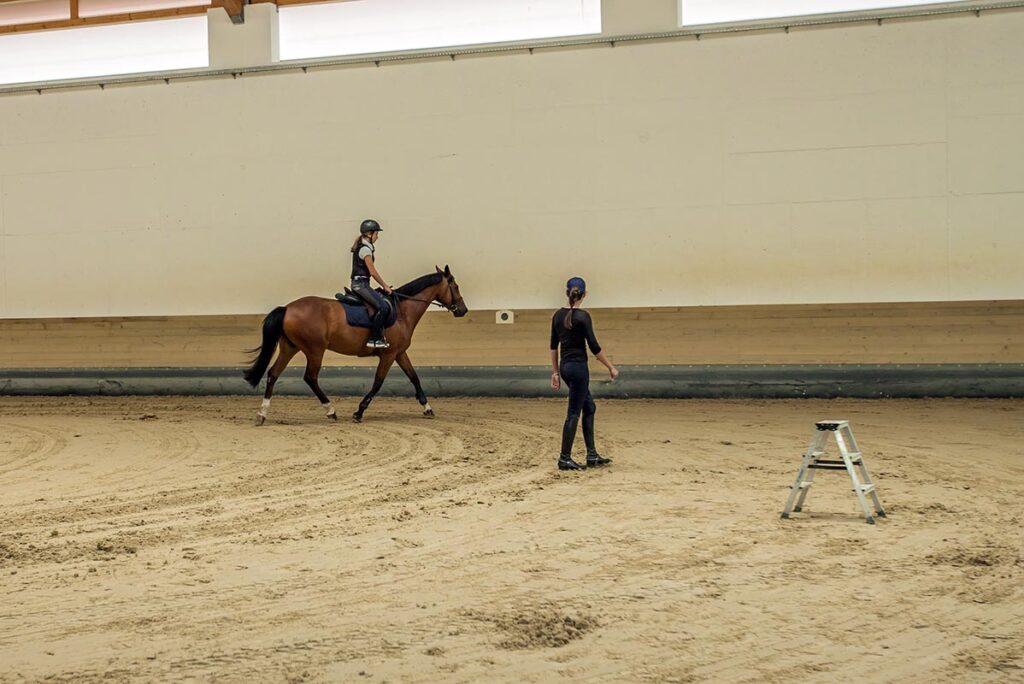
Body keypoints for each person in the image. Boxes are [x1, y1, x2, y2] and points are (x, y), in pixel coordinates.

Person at [550, 277, 619, 471]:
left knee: (589, 407)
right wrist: (611, 367)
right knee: (574, 413)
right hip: (579, 368)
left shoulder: (557, 316)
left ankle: (592, 455)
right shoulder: (583, 317)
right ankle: (564, 458)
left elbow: (553, 346)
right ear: (585, 294)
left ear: (566, 292)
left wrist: (555, 372)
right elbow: (595, 347)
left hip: (565, 367)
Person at [350, 218, 394, 348]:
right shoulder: (365, 250)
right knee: (383, 307)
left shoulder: (363, 247)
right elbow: (373, 272)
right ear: (369, 234)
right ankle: (375, 338)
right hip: (361, 285)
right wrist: (385, 286)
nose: (377, 237)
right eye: (376, 234)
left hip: (363, 283)